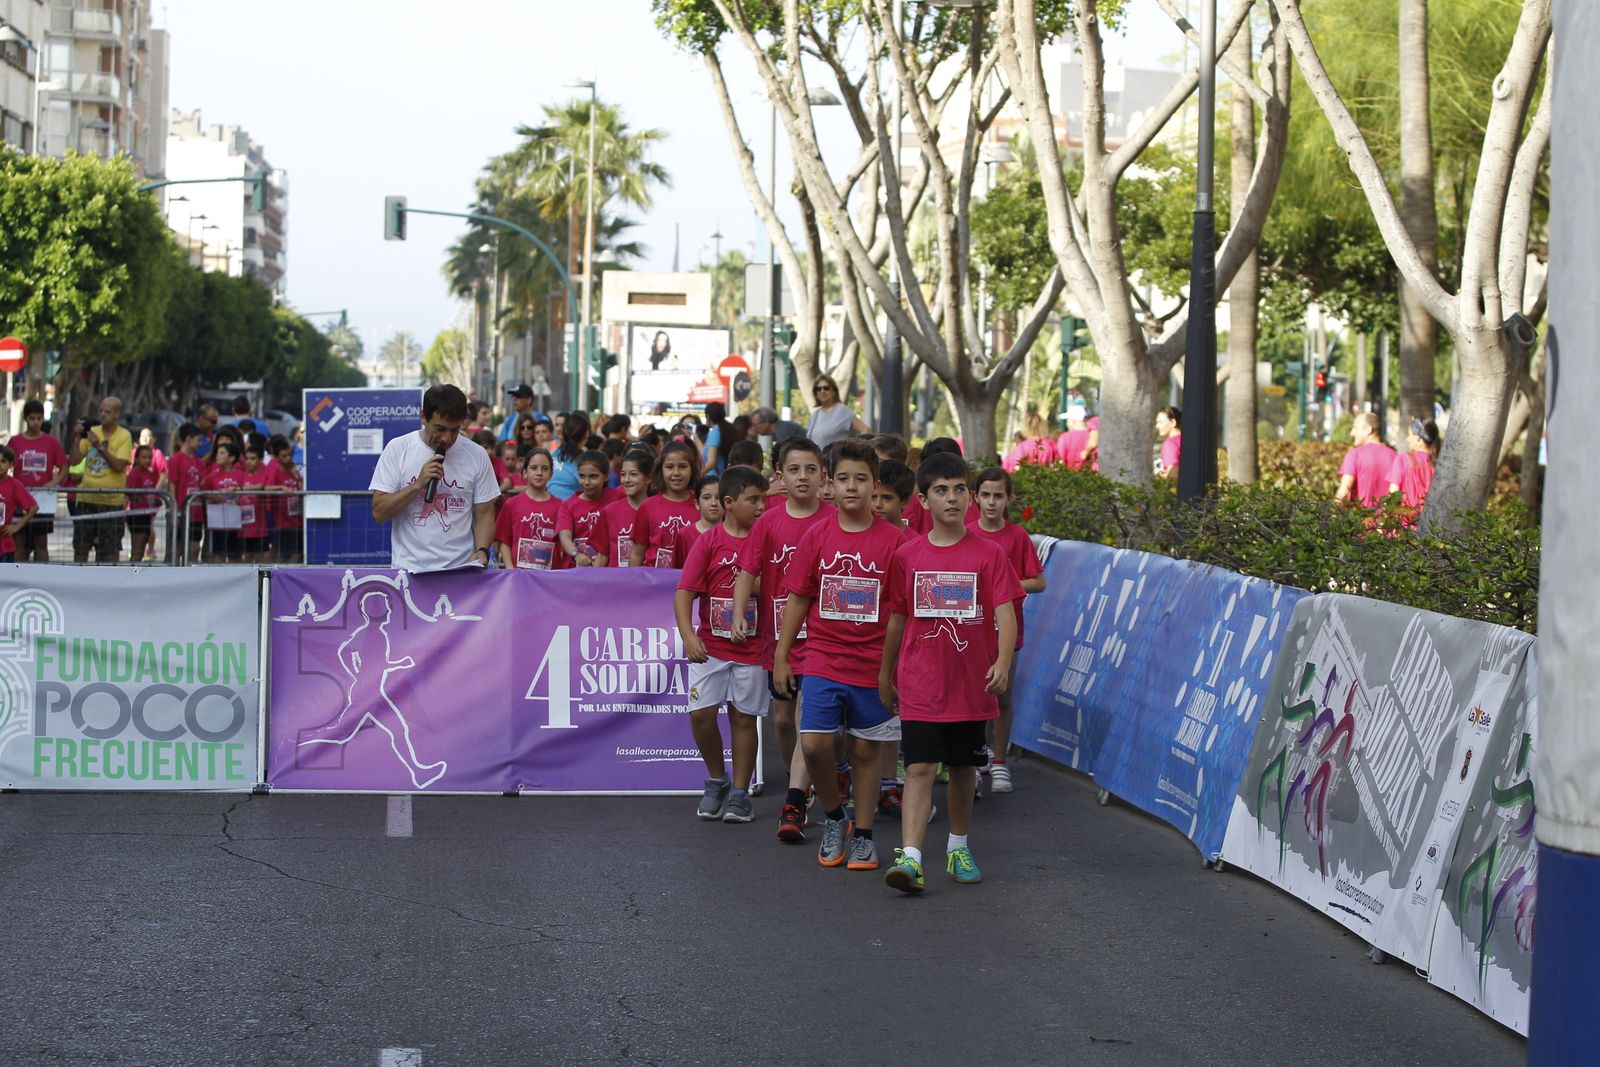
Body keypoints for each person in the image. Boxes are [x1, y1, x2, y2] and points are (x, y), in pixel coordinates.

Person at [879, 451, 1023, 893]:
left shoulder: (990, 554)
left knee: (963, 768)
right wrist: (886, 674)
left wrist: (1002, 662)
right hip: (921, 681)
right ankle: (911, 858)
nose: (953, 498)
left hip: (971, 684)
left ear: (970, 496)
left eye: (960, 489)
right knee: (920, 766)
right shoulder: (908, 555)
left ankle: (958, 846)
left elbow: (1005, 613)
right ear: (923, 501)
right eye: (941, 490)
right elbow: (897, 619)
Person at [773, 439, 910, 871]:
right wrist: (781, 656)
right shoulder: (817, 535)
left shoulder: (896, 542)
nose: (852, 487)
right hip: (822, 658)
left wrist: (892, 672)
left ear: (875, 484)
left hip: (873, 664)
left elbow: (901, 613)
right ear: (830, 483)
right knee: (815, 744)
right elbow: (798, 598)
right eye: (844, 478)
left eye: (862, 479)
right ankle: (835, 817)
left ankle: (864, 836)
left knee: (866, 751)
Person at [731, 436, 832, 841]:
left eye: (810, 469)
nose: (802, 477)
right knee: (784, 720)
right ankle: (801, 779)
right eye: (794, 470)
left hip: (823, 640)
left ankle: (796, 797)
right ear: (779, 476)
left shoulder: (833, 519)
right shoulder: (769, 522)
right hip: (780, 643)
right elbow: (747, 573)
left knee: (810, 721)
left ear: (823, 476)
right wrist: (739, 613)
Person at [675, 464, 772, 823]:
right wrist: (689, 636)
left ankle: (740, 793)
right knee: (701, 716)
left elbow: (778, 588)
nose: (761, 506)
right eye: (753, 500)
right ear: (729, 503)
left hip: (753, 649)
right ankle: (717, 779)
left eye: (763, 500)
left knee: (743, 719)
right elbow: (684, 592)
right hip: (711, 648)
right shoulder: (709, 541)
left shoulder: (768, 540)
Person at [969, 467, 1047, 793]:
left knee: (1002, 693)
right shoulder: (965, 533)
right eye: (986, 495)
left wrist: (1004, 585)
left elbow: (1039, 581)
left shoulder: (1017, 537)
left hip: (1007, 629)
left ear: (1009, 498)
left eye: (998, 496)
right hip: (970, 629)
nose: (991, 502)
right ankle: (977, 757)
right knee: (974, 696)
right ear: (975, 497)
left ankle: (999, 760)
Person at [370, 384, 500, 573]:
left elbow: (485, 513)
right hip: (410, 572)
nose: (446, 438)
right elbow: (379, 512)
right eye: (440, 428)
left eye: (455, 430)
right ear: (424, 417)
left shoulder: (477, 455)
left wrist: (482, 550)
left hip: (460, 572)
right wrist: (417, 485)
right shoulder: (398, 449)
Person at [71, 396, 133, 565]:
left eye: (108, 411)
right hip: (86, 499)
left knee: (108, 551)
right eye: (101, 410)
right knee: (81, 548)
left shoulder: (124, 436)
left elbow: (119, 466)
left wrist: (99, 447)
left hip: (111, 502)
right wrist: (77, 437)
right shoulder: (92, 431)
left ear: (117, 414)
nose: (103, 414)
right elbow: (74, 461)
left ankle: (106, 579)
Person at [629, 440, 700, 568]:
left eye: (683, 466)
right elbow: (637, 553)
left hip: (691, 578)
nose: (676, 473)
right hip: (654, 579)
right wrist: (632, 579)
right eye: (669, 467)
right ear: (661, 470)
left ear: (692, 470)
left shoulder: (701, 505)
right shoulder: (648, 506)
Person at [13, 400, 68, 563]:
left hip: (43, 500)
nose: (35, 422)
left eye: (38, 418)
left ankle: (42, 574)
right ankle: (17, 574)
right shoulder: (15, 442)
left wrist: (54, 482)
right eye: (32, 418)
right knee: (19, 542)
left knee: (41, 542)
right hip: (19, 499)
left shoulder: (51, 442)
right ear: (25, 418)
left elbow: (64, 467)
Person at [495, 449, 564, 570]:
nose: (539, 473)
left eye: (544, 468)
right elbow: (504, 541)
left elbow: (564, 543)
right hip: (519, 575)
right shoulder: (511, 504)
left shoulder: (561, 507)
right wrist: (510, 568)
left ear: (551, 474)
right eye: (534, 468)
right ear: (524, 472)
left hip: (550, 576)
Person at [597, 449, 652, 567]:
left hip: (648, 578)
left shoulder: (656, 511)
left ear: (648, 478)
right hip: (614, 578)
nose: (626, 480)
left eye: (633, 474)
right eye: (623, 474)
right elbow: (602, 555)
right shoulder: (610, 511)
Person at [558, 450, 613, 566]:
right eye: (582, 476)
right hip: (575, 570)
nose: (587, 482)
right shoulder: (568, 505)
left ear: (606, 476)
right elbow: (564, 536)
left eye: (593, 476)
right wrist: (576, 554)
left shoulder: (617, 498)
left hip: (607, 571)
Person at [1336, 412, 1399, 507]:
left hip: (1360, 515)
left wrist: (1330, 512)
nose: (1352, 433)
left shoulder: (1355, 454)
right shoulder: (1395, 456)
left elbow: (1343, 491)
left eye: (1355, 428)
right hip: (1387, 516)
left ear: (1368, 430)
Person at [202, 441, 250, 562]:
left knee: (235, 555)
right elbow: (202, 494)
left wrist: (239, 500)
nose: (218, 455)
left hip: (237, 523)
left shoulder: (242, 475)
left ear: (232, 458)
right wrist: (213, 497)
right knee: (218, 554)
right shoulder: (212, 477)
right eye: (217, 453)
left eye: (222, 453)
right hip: (218, 522)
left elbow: (247, 493)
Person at [167, 424, 207, 563]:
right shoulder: (175, 460)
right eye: (198, 440)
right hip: (181, 512)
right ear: (189, 439)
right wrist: (174, 509)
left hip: (196, 513)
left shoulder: (199, 462)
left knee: (194, 547)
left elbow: (202, 484)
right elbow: (172, 484)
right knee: (177, 547)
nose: (200, 444)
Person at [1388, 417, 1441, 515]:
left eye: (1409, 435)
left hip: (1406, 521)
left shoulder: (1403, 459)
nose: (1408, 439)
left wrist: (1383, 521)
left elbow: (1392, 497)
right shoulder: (1440, 463)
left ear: (1417, 437)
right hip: (1432, 522)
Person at [806, 374, 870, 449]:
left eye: (826, 388)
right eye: (818, 389)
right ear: (816, 394)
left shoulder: (843, 410)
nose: (822, 391)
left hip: (836, 456)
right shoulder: (815, 415)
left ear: (834, 391)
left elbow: (865, 430)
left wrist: (854, 449)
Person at [268, 434, 305, 564]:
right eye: (284, 456)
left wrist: (296, 475)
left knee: (298, 553)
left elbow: (301, 488)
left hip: (297, 518)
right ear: (276, 457)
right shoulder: (274, 469)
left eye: (289, 455)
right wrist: (281, 487)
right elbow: (267, 487)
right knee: (286, 554)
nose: (288, 458)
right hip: (283, 521)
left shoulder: (292, 469)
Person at [0, 446, 39, 563]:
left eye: (3, 461)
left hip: (3, 545)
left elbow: (33, 507)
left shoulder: (15, 485)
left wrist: (17, 526)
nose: (0, 465)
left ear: (11, 464)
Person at [124, 444, 162, 563]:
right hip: (137, 514)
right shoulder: (135, 473)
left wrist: (156, 501)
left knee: (142, 547)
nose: (147, 460)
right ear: (136, 459)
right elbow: (130, 491)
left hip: (147, 514)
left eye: (150, 458)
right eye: (144, 457)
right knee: (137, 548)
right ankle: (133, 567)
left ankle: (137, 564)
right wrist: (139, 499)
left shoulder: (150, 473)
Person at [702, 401, 742, 476]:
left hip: (712, 477)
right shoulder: (728, 430)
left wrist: (699, 475)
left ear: (708, 416)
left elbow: (711, 463)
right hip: (725, 475)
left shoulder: (715, 432)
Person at [1155, 406, 1182, 480]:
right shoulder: (1187, 439)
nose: (1157, 426)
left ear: (1173, 422)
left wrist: (1158, 474)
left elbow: (1173, 475)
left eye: (1160, 422)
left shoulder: (1170, 444)